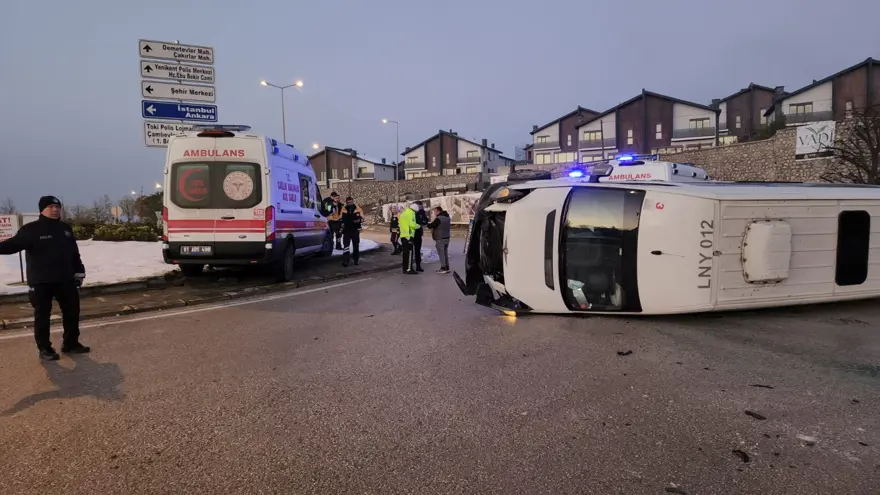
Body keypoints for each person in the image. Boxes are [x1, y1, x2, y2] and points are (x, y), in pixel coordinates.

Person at [0, 196, 90, 361]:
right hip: (41, 281)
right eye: (50, 207)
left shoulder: (65, 229)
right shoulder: (31, 230)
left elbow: (74, 253)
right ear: (42, 209)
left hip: (66, 280)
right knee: (42, 316)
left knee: (72, 312)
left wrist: (79, 272)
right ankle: (45, 348)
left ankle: (70, 343)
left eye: (57, 207)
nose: (55, 210)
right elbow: (11, 245)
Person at [339, 196, 364, 267]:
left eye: (351, 202)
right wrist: (341, 224)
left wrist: (359, 220)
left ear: (353, 201)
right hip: (346, 230)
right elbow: (340, 218)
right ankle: (346, 261)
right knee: (346, 246)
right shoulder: (343, 209)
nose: (350, 203)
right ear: (346, 202)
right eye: (348, 202)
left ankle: (356, 260)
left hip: (355, 230)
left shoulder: (358, 209)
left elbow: (362, 218)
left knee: (356, 246)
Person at [427, 206, 451, 274]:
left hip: (440, 238)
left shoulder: (439, 218)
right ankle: (447, 267)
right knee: (445, 253)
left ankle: (443, 268)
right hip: (447, 237)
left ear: (438, 211)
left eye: (435, 211)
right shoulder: (447, 217)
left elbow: (431, 226)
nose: (434, 213)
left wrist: (426, 223)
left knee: (441, 253)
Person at [398, 202, 420, 274]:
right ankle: (409, 269)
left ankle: (405, 268)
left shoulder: (404, 213)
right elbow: (412, 224)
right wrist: (418, 226)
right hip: (409, 236)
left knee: (405, 254)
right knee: (410, 253)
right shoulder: (411, 213)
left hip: (403, 235)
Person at [412, 201, 428, 272]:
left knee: (417, 250)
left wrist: (423, 222)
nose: (419, 207)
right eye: (418, 206)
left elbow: (425, 221)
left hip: (418, 234)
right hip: (410, 234)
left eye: (420, 206)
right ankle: (409, 266)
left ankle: (418, 266)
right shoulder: (411, 212)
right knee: (410, 251)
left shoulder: (422, 212)